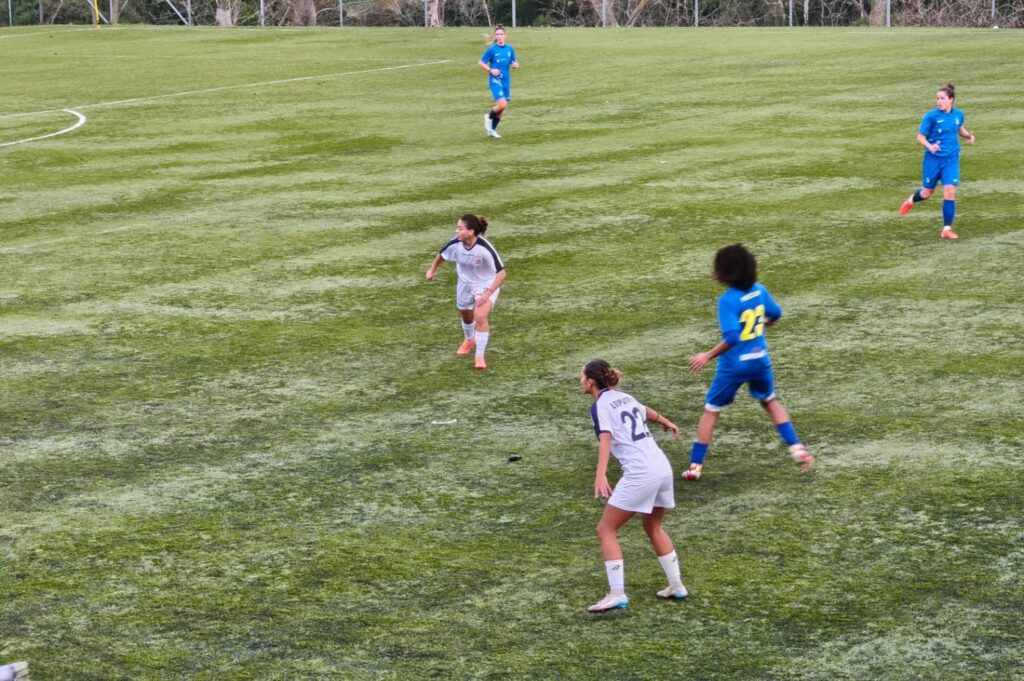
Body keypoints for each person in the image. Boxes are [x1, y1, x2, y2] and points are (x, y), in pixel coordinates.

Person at [683, 244, 814, 481]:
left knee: (711, 411)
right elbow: (776, 313)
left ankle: (695, 467)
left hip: (734, 366)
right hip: (759, 360)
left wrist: (707, 355)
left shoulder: (728, 300)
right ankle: (798, 450)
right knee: (770, 402)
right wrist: (763, 325)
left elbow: (732, 337)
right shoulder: (759, 290)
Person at [580, 359, 688, 613]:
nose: (580, 381)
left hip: (641, 473)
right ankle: (676, 585)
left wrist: (600, 474)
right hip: (662, 468)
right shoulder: (624, 397)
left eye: (581, 376)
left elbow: (605, 438)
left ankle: (617, 593)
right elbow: (645, 410)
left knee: (606, 529)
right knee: (653, 526)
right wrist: (665, 421)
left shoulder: (600, 406)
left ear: (591, 381)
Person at [425, 214, 505, 370]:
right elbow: (441, 255)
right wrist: (432, 270)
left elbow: (502, 273)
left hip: (485, 284)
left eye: (460, 228)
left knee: (480, 316)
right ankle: (469, 339)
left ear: (471, 231)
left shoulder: (485, 249)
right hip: (464, 283)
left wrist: (488, 293)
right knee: (467, 316)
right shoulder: (455, 244)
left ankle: (479, 357)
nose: (457, 231)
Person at [899, 82, 975, 240]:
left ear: (951, 99)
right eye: (937, 98)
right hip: (933, 160)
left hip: (951, 159)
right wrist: (930, 146)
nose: (939, 101)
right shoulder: (931, 116)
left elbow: (958, 128)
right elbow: (920, 137)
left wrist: (968, 135)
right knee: (927, 193)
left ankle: (946, 229)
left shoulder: (958, 114)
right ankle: (911, 200)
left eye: (942, 98)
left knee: (950, 191)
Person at [478, 25, 519, 139]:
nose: (499, 36)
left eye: (501, 34)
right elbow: (480, 63)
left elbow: (514, 63)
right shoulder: (492, 49)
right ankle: (488, 116)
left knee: (501, 108)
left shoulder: (510, 49)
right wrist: (491, 70)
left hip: (506, 81)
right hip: (495, 81)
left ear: (505, 35)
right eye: (497, 34)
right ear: (495, 37)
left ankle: (491, 131)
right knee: (502, 104)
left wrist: (515, 65)